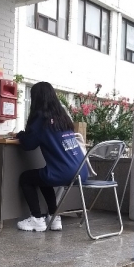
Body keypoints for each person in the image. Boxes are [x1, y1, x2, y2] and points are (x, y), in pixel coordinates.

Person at [14, 82, 88, 232]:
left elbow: (28, 144)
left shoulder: (41, 119)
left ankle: (36, 218)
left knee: (26, 178)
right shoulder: (62, 118)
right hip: (81, 172)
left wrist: (20, 135)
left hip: (64, 172)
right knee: (43, 177)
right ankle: (54, 217)